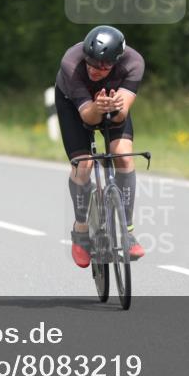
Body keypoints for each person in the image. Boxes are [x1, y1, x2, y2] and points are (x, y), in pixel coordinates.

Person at [55, 25, 145, 268]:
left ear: (116, 61)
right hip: (74, 107)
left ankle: (127, 231)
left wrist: (113, 107)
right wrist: (98, 107)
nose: (95, 70)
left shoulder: (134, 63)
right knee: (83, 165)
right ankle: (81, 231)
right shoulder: (71, 63)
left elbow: (121, 114)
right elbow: (88, 118)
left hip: (112, 106)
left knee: (123, 156)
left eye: (103, 66)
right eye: (91, 63)